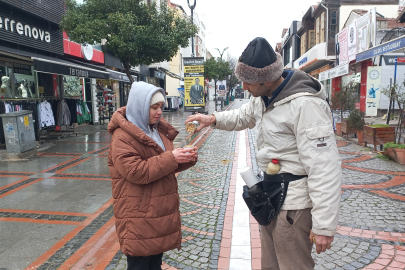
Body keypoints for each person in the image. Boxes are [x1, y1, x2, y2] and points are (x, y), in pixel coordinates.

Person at [186, 37, 342, 270]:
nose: (245, 87)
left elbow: (324, 167)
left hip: (294, 207)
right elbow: (242, 116)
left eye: (248, 82)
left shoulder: (305, 105)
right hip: (270, 199)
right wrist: (212, 119)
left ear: (266, 79)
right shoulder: (263, 98)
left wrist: (324, 226)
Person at [108, 82, 198, 270]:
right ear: (140, 106)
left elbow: (162, 167)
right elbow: (136, 171)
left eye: (161, 107)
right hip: (137, 215)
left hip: (157, 213)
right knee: (140, 265)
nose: (159, 112)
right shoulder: (121, 137)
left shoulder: (155, 129)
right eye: (154, 107)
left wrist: (184, 158)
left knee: (155, 264)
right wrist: (171, 158)